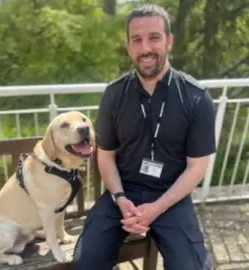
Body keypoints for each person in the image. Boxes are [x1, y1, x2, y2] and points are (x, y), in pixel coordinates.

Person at [73, 4, 216, 270]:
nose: (145, 48)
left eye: (154, 37)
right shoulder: (114, 95)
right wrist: (119, 198)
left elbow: (196, 169)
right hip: (122, 193)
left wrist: (158, 207)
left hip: (170, 195)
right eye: (136, 40)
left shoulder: (196, 99)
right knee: (86, 259)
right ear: (128, 46)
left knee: (193, 267)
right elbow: (106, 158)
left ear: (169, 41)